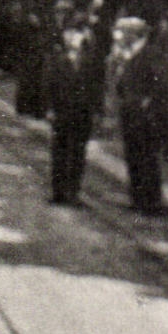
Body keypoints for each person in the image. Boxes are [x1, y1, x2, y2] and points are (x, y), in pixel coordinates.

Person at [46, 11, 101, 206]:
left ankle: (73, 192)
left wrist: (96, 111)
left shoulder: (90, 61)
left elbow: (96, 88)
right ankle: (58, 192)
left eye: (77, 34)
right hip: (61, 111)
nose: (73, 38)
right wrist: (50, 108)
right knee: (59, 152)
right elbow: (50, 85)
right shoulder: (57, 58)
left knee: (78, 153)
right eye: (69, 34)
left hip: (82, 113)